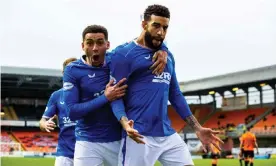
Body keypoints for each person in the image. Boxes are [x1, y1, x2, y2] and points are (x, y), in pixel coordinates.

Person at [109, 4, 223, 166]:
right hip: (138, 134)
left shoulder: (168, 57)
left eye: (165, 27)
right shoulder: (123, 54)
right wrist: (125, 123)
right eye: (156, 26)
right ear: (144, 25)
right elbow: (115, 96)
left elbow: (175, 94)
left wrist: (197, 128)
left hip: (167, 134)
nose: (161, 32)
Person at [62, 25, 169, 166]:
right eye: (90, 43)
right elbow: (72, 112)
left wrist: (163, 49)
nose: (95, 48)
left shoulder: (117, 59)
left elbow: (141, 43)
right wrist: (105, 97)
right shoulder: (73, 70)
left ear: (107, 45)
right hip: (87, 141)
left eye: (100, 43)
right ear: (83, 46)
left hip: (117, 140)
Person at [39, 57, 77, 166]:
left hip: (86, 151)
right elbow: (42, 121)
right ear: (63, 73)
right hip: (64, 153)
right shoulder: (56, 96)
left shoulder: (87, 94)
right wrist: (45, 124)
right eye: (69, 70)